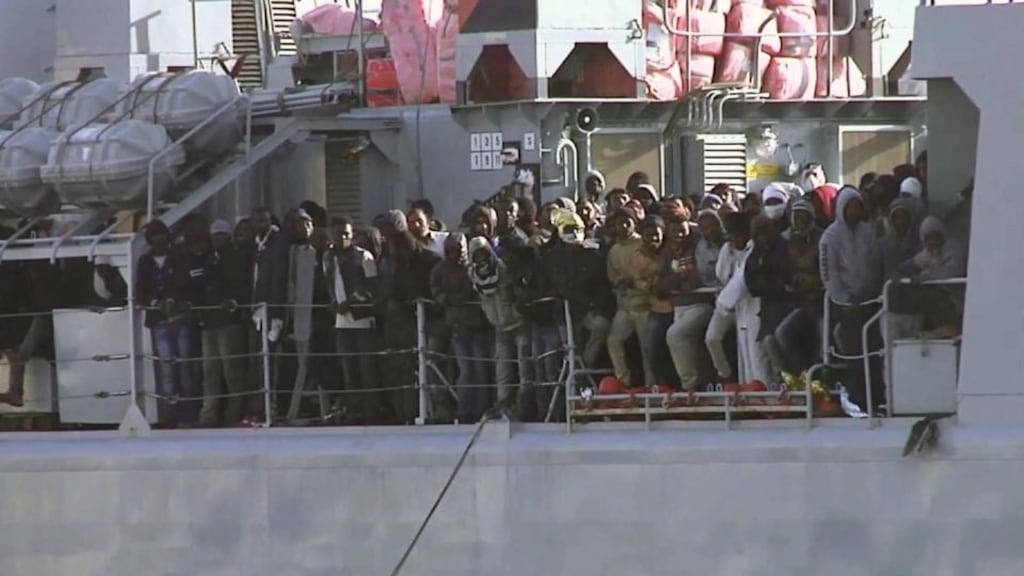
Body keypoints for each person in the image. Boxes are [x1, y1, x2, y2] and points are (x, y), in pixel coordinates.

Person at [819, 186, 882, 411]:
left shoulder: (869, 232)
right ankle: (859, 397)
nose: (854, 211)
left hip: (870, 301)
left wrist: (869, 293)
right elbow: (829, 273)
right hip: (844, 306)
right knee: (855, 351)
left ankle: (878, 396)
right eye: (850, 207)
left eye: (858, 207)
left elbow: (875, 265)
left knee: (875, 349)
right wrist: (846, 299)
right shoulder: (830, 237)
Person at [188, 220, 249, 427]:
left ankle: (235, 413)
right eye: (215, 235)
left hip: (229, 322)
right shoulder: (206, 259)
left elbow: (241, 285)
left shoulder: (237, 257)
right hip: (209, 322)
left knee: (232, 372)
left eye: (222, 235)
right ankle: (208, 415)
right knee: (210, 372)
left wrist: (233, 302)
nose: (218, 238)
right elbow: (199, 286)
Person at [136, 220, 197, 425]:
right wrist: (155, 303)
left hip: (180, 318)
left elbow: (185, 284)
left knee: (185, 366)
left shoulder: (179, 257)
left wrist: (173, 299)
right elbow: (140, 292)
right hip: (159, 320)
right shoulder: (145, 261)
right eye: (154, 235)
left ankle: (189, 414)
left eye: (161, 234)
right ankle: (169, 415)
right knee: (167, 369)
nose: (158, 239)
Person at [323, 216, 380, 425]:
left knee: (367, 369)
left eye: (347, 233)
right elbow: (330, 284)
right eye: (339, 234)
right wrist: (333, 303)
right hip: (341, 323)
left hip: (363, 321)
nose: (344, 238)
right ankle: (354, 412)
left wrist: (351, 303)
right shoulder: (327, 257)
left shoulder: (363, 256)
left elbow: (373, 288)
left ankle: (371, 413)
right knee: (348, 370)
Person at [431, 233, 492, 423]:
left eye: (458, 251)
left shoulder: (474, 267)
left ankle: (481, 409)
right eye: (450, 251)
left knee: (481, 369)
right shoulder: (440, 269)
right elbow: (435, 290)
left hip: (478, 325)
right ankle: (465, 411)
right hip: (457, 325)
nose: (454, 255)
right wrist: (448, 299)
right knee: (466, 370)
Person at [469, 236, 531, 413]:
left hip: (518, 322)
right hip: (499, 326)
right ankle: (503, 404)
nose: (480, 257)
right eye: (476, 254)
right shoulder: (473, 275)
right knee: (502, 370)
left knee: (524, 366)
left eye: (482, 252)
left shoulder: (502, 268)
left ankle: (524, 405)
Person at [660, 217, 713, 392]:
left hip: (701, 304)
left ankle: (689, 386)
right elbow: (663, 283)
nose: (679, 234)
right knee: (687, 346)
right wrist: (679, 279)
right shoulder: (666, 253)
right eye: (675, 231)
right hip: (679, 306)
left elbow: (698, 279)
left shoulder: (697, 247)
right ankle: (698, 386)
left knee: (674, 335)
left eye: (683, 230)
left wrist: (684, 281)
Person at [773, 200, 824, 375]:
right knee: (782, 333)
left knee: (822, 335)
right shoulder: (787, 241)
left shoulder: (823, 238)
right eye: (796, 218)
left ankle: (822, 377)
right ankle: (801, 375)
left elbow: (829, 270)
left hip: (822, 302)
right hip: (799, 303)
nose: (799, 222)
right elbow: (782, 271)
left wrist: (815, 280)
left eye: (803, 217)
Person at [605, 208, 654, 388]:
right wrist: (620, 282)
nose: (624, 226)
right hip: (625, 306)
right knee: (613, 341)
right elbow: (612, 277)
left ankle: (651, 387)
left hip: (646, 305)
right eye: (620, 223)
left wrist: (635, 281)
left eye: (628, 222)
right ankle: (622, 382)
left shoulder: (643, 243)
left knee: (647, 350)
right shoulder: (614, 250)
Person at [743, 215, 792, 387]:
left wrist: (769, 282)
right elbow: (751, 282)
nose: (763, 236)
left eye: (766, 231)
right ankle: (779, 382)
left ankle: (790, 380)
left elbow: (785, 277)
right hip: (768, 308)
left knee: (780, 341)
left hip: (787, 305)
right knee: (767, 344)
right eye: (759, 233)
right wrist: (768, 283)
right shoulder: (756, 253)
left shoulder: (784, 247)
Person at [705, 212, 751, 383]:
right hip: (726, 303)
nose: (734, 238)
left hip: (747, 304)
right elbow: (722, 275)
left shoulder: (752, 247)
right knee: (712, 337)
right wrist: (730, 255)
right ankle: (725, 375)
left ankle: (748, 384)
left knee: (745, 348)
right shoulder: (727, 249)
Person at [639, 216, 676, 387]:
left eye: (656, 234)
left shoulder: (672, 251)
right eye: (648, 235)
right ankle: (662, 386)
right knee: (652, 349)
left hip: (676, 307)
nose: (653, 238)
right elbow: (636, 280)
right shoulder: (638, 256)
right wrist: (649, 286)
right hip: (655, 308)